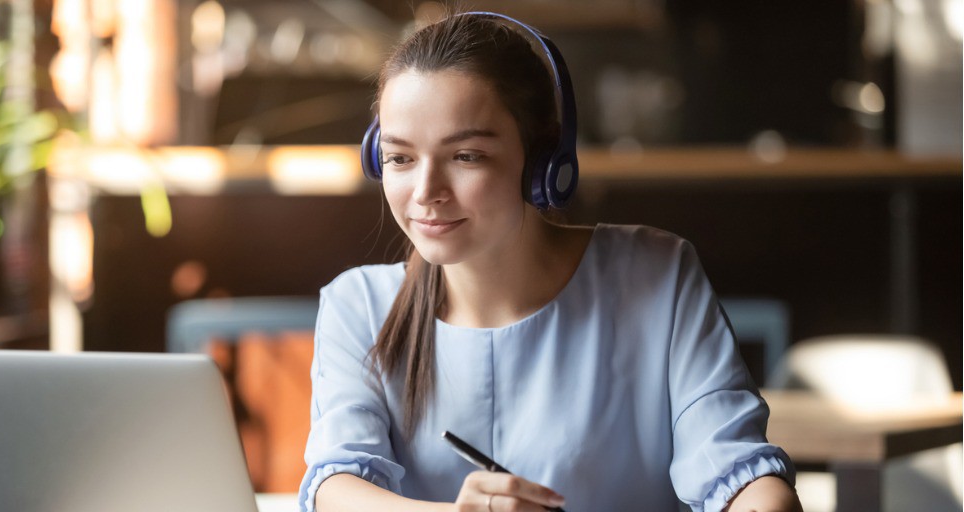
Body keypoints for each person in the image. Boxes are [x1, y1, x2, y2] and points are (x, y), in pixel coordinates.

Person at [299, 11, 802, 512]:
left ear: (542, 161)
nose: (426, 192)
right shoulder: (358, 305)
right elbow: (336, 488)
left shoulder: (656, 274)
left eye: (466, 156)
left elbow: (737, 470)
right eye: (400, 158)